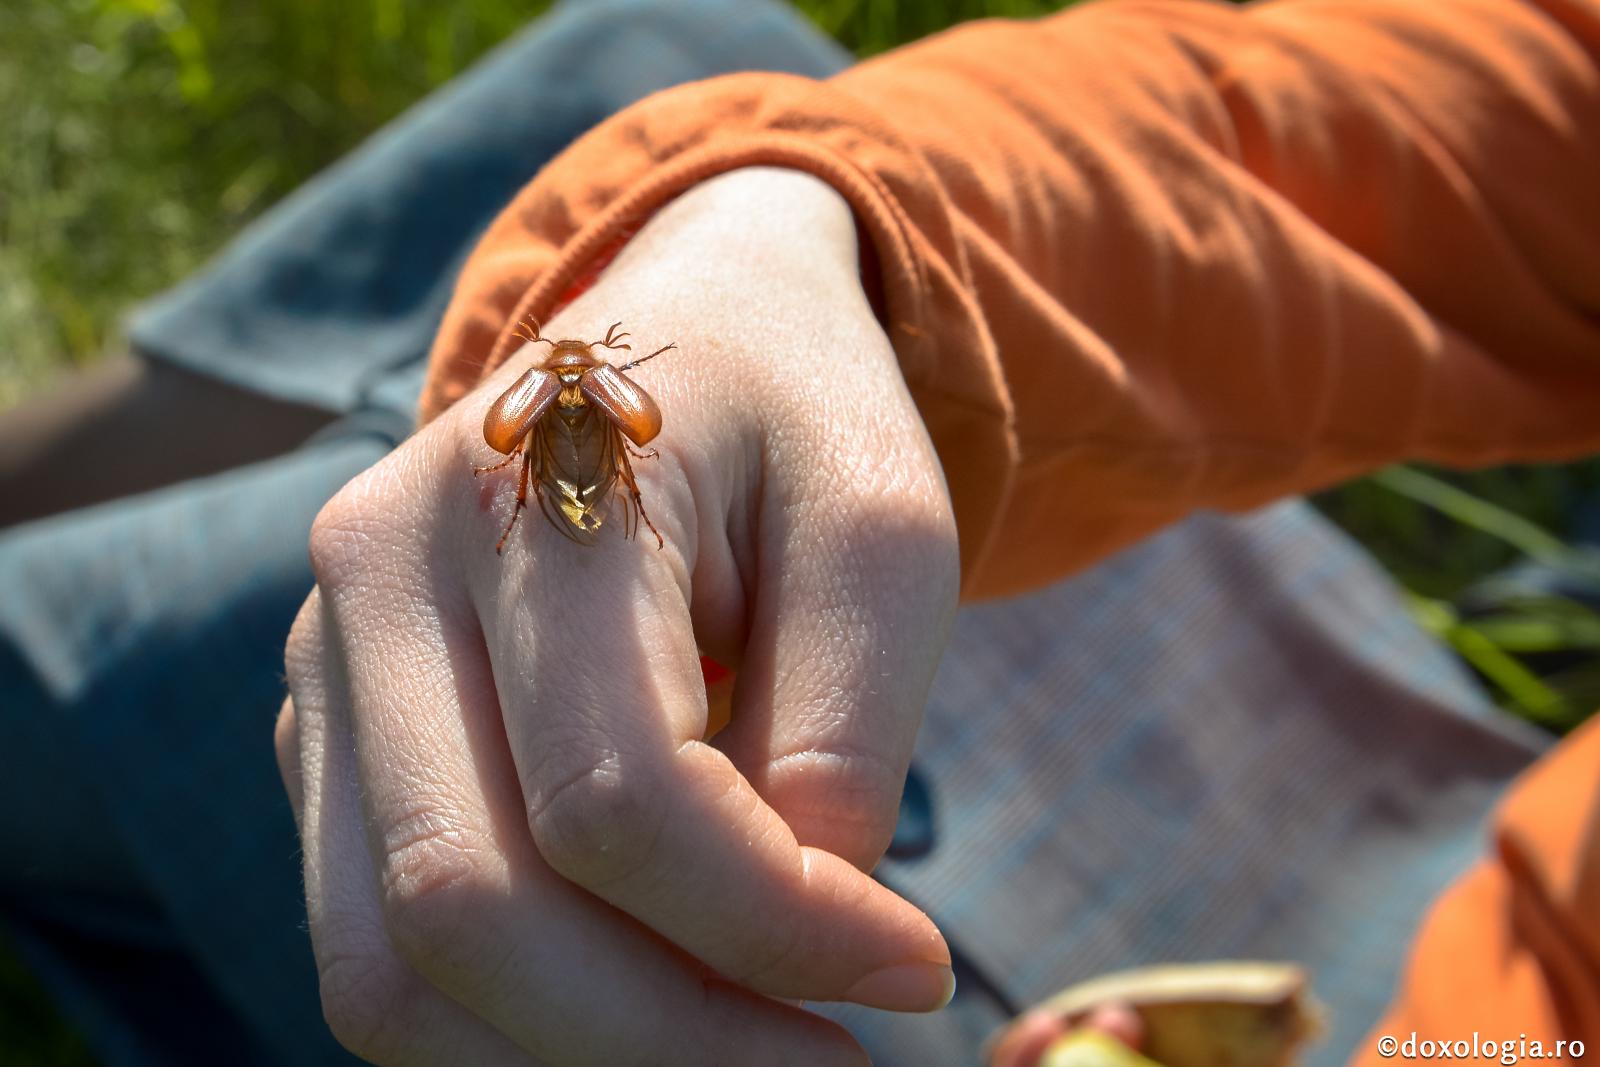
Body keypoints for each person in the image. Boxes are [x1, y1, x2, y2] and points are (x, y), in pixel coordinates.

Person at [3, 0, 1597, 1065]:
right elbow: (1503, 104)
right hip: (1494, 851)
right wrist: (798, 224)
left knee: (305, 633)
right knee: (695, 62)